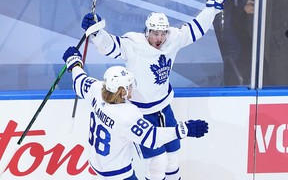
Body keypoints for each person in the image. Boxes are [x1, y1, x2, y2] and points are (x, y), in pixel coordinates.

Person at [81, 0, 232, 180]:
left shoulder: (173, 39)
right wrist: (97, 33)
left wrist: (212, 8)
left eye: (162, 33)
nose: (159, 37)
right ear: (147, 31)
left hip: (164, 108)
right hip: (142, 113)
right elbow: (109, 46)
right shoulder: (134, 44)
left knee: (172, 159)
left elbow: (196, 29)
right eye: (155, 33)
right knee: (157, 161)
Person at [62, 46, 209, 180]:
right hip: (118, 173)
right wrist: (184, 130)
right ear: (123, 91)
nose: (132, 88)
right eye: (129, 86)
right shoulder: (127, 115)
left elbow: (79, 81)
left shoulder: (96, 89)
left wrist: (74, 62)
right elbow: (153, 138)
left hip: (97, 164)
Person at [213, 0, 254, 85]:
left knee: (233, 49)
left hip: (227, 19)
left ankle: (225, 83)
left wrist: (243, 3)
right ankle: (223, 83)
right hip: (217, 20)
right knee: (231, 50)